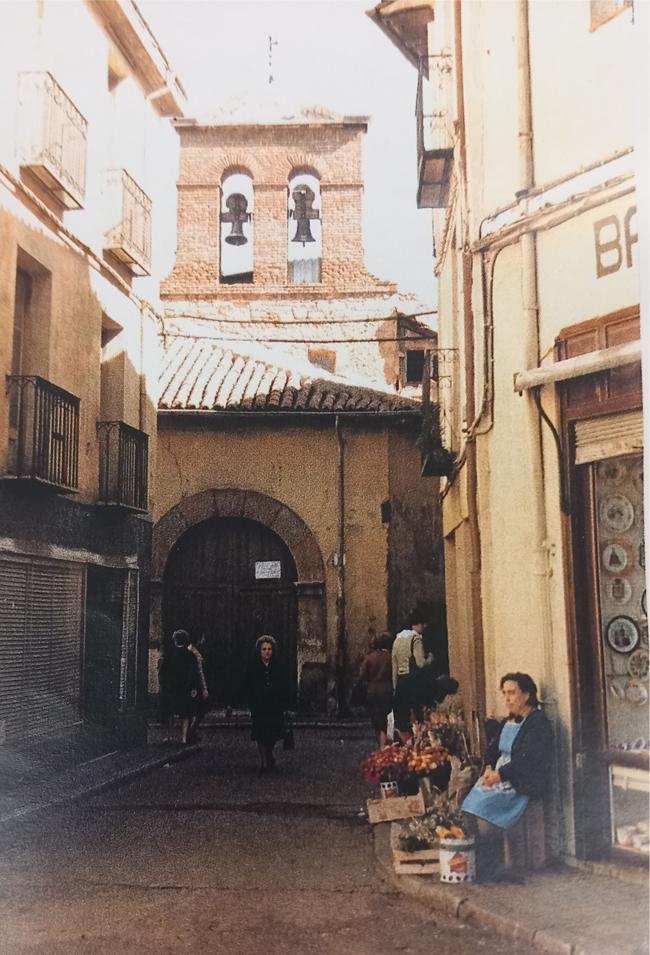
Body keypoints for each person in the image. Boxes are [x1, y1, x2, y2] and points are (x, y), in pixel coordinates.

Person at [461, 672, 553, 883]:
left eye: (512, 693)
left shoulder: (538, 722)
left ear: (527, 695)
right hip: (498, 775)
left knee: (485, 816)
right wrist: (489, 767)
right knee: (468, 807)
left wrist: (500, 774)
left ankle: (497, 866)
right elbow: (493, 750)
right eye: (504, 693)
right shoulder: (509, 721)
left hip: (520, 779)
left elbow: (528, 758)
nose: (507, 699)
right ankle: (485, 863)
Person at [245, 635, 289, 772]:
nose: (267, 652)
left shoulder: (278, 666)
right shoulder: (253, 667)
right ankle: (264, 761)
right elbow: (248, 686)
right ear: (259, 651)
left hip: (274, 705)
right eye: (264, 649)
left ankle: (269, 753)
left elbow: (284, 685)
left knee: (273, 733)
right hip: (259, 705)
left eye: (269, 649)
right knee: (260, 733)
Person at [391, 613, 433, 741]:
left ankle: (404, 743)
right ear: (417, 625)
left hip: (400, 681)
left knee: (402, 716)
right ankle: (417, 742)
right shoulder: (416, 639)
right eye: (423, 624)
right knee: (416, 715)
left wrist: (394, 685)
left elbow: (394, 664)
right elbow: (420, 663)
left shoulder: (398, 639)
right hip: (413, 681)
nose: (424, 627)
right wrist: (430, 658)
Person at [359, 631, 393, 748]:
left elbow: (362, 675)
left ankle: (381, 745)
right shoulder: (390, 657)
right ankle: (384, 747)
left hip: (372, 691)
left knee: (376, 720)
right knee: (386, 720)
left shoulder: (370, 658)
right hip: (387, 690)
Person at [168, 629, 202, 745]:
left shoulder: (170, 654)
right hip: (186, 688)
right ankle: (183, 738)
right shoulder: (190, 655)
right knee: (186, 714)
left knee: (171, 712)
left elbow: (164, 672)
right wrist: (194, 688)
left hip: (173, 687)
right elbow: (194, 673)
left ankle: (170, 736)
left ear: (176, 640)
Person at [187, 634, 210, 744]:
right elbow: (200, 672)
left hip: (192, 686)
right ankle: (191, 732)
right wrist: (204, 688)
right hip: (196, 687)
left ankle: (190, 732)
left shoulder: (191, 650)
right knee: (199, 710)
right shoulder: (194, 653)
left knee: (193, 711)